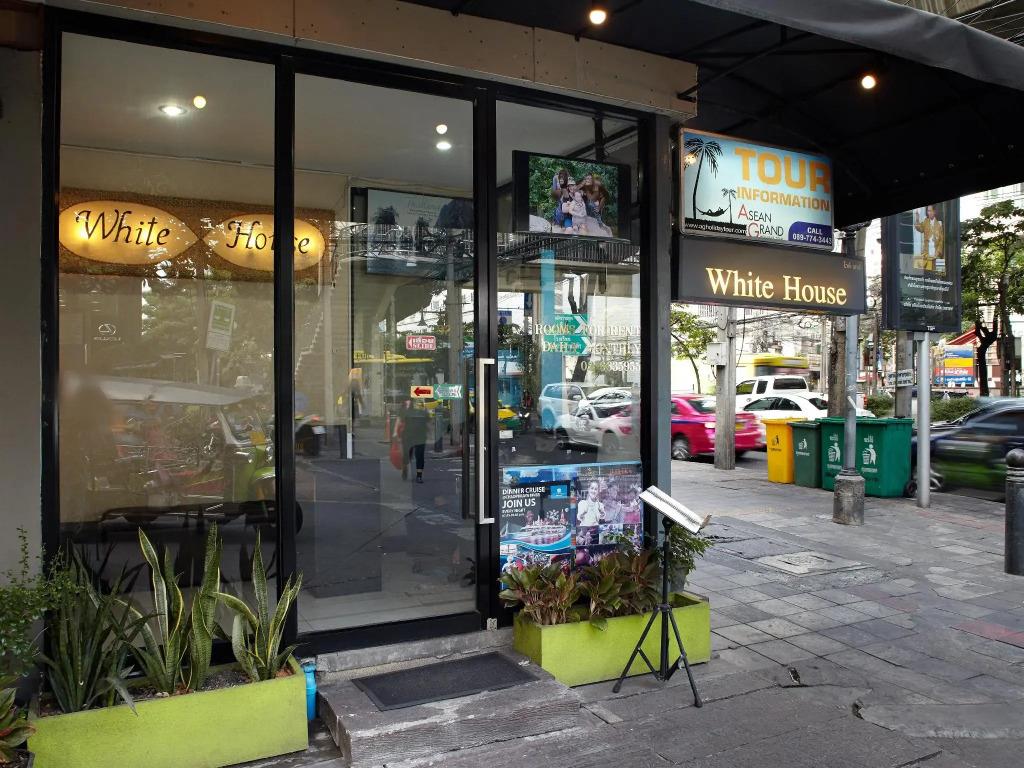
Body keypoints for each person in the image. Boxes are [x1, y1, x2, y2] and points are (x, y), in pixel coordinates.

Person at [397, 399, 429, 483]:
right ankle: (405, 468)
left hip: (420, 437)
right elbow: (400, 420)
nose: (417, 405)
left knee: (420, 456)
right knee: (407, 455)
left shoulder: (424, 412)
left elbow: (428, 420)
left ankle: (419, 476)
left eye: (419, 404)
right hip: (408, 436)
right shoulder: (407, 412)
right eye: (416, 403)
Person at [913, 204, 944, 272]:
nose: (928, 213)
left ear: (934, 212)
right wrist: (917, 218)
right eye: (928, 211)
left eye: (930, 211)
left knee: (938, 273)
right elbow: (919, 228)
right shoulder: (925, 221)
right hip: (927, 253)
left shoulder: (939, 224)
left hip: (936, 254)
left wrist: (937, 253)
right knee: (928, 274)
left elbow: (941, 241)